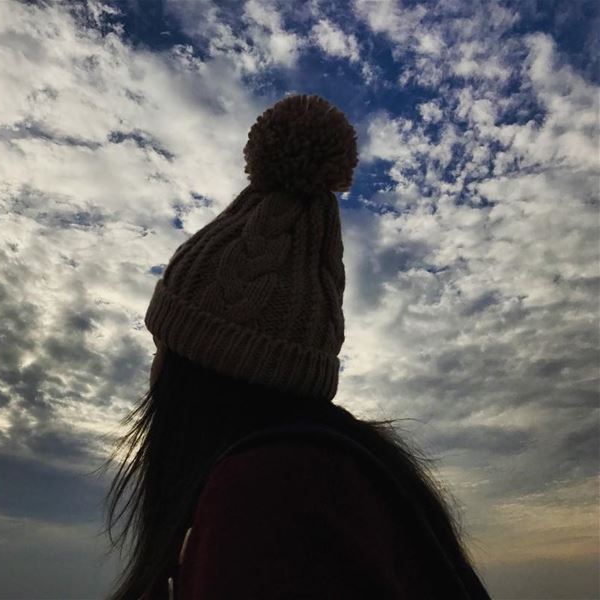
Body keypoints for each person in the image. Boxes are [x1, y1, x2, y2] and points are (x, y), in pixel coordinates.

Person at [96, 94, 491, 599]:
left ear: (204, 368)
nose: (155, 368)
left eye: (164, 344)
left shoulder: (263, 498)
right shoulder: (352, 476)